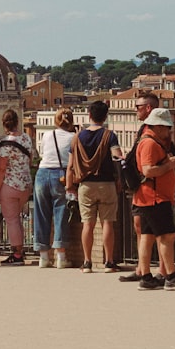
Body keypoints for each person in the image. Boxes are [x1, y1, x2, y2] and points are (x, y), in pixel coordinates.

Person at [134, 108, 175, 290]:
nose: (169, 131)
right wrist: (170, 165)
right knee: (167, 236)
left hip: (147, 196)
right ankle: (171, 276)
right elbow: (148, 170)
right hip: (155, 198)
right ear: (158, 126)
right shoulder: (150, 144)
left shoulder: (148, 141)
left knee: (147, 236)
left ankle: (146, 276)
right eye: (166, 127)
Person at [65, 101, 122, 273]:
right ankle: (109, 262)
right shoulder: (109, 136)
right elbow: (117, 158)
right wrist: (119, 179)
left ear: (89, 114)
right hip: (107, 183)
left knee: (87, 224)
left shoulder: (77, 137)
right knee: (107, 223)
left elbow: (70, 165)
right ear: (105, 117)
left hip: (85, 185)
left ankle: (87, 262)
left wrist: (70, 186)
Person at [120, 91, 161, 283]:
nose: (135, 110)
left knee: (159, 232)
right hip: (141, 189)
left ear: (148, 108)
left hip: (152, 189)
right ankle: (142, 269)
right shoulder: (143, 130)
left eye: (138, 107)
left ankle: (162, 270)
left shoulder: (158, 132)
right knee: (141, 228)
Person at [33, 108, 76, 269]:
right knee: (60, 213)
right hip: (61, 174)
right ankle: (61, 257)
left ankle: (43, 257)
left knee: (41, 214)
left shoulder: (47, 135)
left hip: (42, 173)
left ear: (56, 121)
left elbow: (43, 153)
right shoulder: (73, 137)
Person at [0, 109, 33, 266]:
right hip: (26, 184)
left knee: (12, 220)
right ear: (17, 122)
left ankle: (17, 254)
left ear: (4, 125)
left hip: (10, 185)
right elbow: (29, 160)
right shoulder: (27, 139)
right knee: (18, 219)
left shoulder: (4, 144)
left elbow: (1, 169)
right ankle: (20, 251)